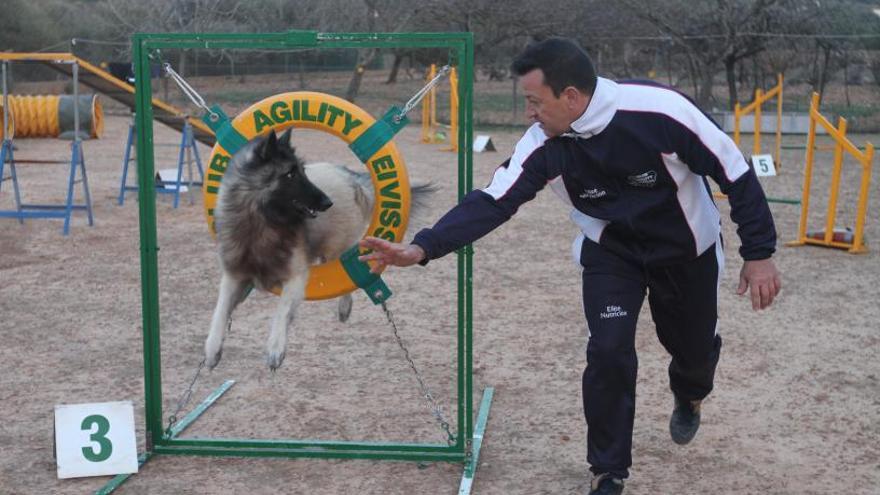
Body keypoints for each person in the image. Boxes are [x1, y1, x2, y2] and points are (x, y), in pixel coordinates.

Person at [359, 37, 781, 495]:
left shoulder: (659, 112)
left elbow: (734, 171)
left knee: (693, 351)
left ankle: (690, 392)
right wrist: (421, 249)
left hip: (685, 249)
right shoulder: (543, 141)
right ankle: (608, 471)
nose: (529, 114)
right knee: (608, 351)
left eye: (535, 102)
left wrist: (758, 254)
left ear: (573, 97)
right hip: (612, 251)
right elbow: (494, 199)